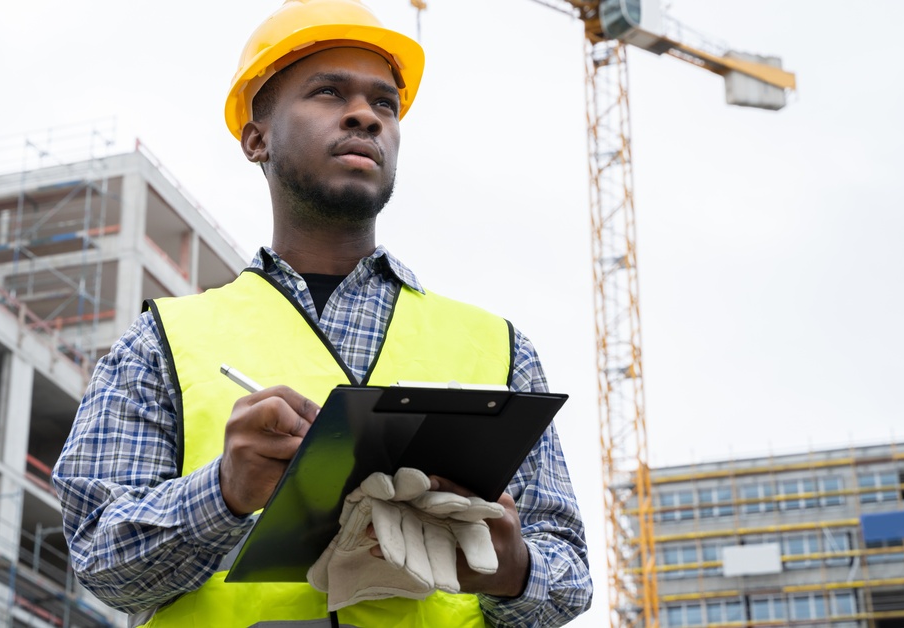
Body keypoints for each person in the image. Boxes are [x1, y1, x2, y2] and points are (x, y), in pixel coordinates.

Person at [53, 1, 593, 626]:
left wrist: (511, 567)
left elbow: (570, 577)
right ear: (256, 137)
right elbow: (100, 559)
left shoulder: (500, 349)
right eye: (329, 92)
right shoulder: (162, 344)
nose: (366, 115)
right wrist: (224, 492)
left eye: (385, 104)